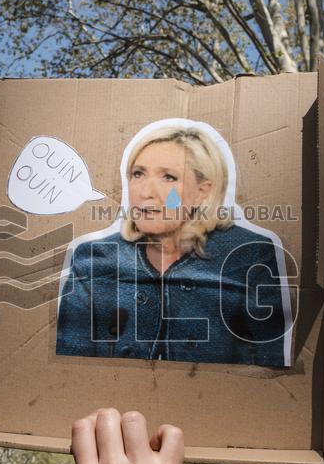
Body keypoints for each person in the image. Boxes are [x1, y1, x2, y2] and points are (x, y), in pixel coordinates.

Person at [56, 122, 291, 366]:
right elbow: (69, 371)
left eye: (168, 177)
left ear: (202, 191)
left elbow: (270, 373)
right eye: (138, 174)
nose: (146, 191)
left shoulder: (250, 254)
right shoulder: (93, 257)